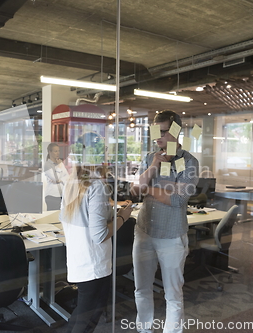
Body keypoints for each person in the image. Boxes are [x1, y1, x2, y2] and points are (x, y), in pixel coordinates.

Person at [130, 110, 199, 333]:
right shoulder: (150, 156)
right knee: (141, 288)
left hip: (171, 235)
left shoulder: (189, 162)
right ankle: (144, 329)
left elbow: (178, 200)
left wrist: (147, 189)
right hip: (145, 231)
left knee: (172, 292)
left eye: (163, 132)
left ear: (177, 132)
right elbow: (134, 190)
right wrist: (153, 167)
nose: (157, 137)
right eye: (155, 132)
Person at [60, 165, 133, 333]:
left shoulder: (73, 183)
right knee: (88, 317)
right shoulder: (96, 186)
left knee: (82, 313)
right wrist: (122, 216)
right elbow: (99, 235)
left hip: (80, 257)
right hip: (94, 262)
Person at [44, 143, 69, 210]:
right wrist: (59, 166)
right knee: (52, 218)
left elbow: (67, 177)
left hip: (62, 195)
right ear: (50, 152)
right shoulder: (47, 165)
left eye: (58, 151)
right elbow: (55, 178)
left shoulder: (60, 163)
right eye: (55, 151)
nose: (58, 153)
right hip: (52, 195)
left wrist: (60, 180)